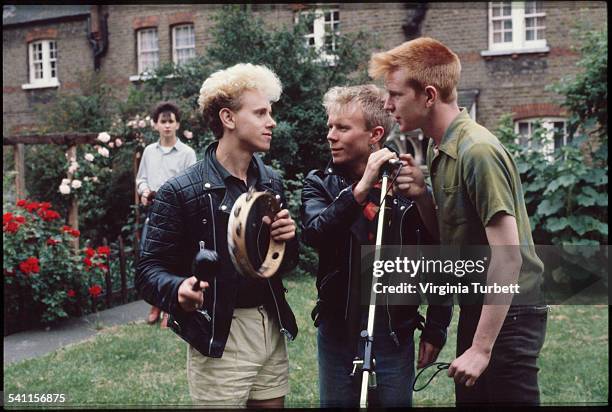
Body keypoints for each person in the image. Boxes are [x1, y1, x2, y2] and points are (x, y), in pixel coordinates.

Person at [369, 37, 547, 405]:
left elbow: (509, 256)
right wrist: (422, 195)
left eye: (395, 95)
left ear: (429, 95)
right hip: (479, 306)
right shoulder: (440, 148)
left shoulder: (477, 151)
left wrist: (481, 349)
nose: (387, 105)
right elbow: (452, 241)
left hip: (510, 314)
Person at [135, 63, 298, 408]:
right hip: (218, 332)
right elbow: (148, 270)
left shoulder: (271, 182)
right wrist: (178, 289)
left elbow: (283, 265)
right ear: (228, 118)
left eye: (270, 112)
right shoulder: (181, 191)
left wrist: (287, 240)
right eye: (260, 113)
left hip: (270, 326)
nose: (272, 122)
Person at [300, 84, 452, 408]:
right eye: (330, 126)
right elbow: (314, 233)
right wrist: (360, 190)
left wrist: (436, 328)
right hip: (338, 329)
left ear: (375, 134)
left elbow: (438, 256)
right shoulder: (320, 183)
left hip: (394, 330)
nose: (331, 135)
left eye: (342, 127)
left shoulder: (406, 184)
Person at [135, 101, 197, 326]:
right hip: (154, 211)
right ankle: (155, 304)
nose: (167, 126)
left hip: (178, 214)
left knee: (175, 259)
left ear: (178, 124)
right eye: (163, 122)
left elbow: (193, 184)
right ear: (155, 125)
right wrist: (143, 192)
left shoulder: (187, 153)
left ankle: (171, 308)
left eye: (171, 121)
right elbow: (141, 178)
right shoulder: (150, 152)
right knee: (152, 257)